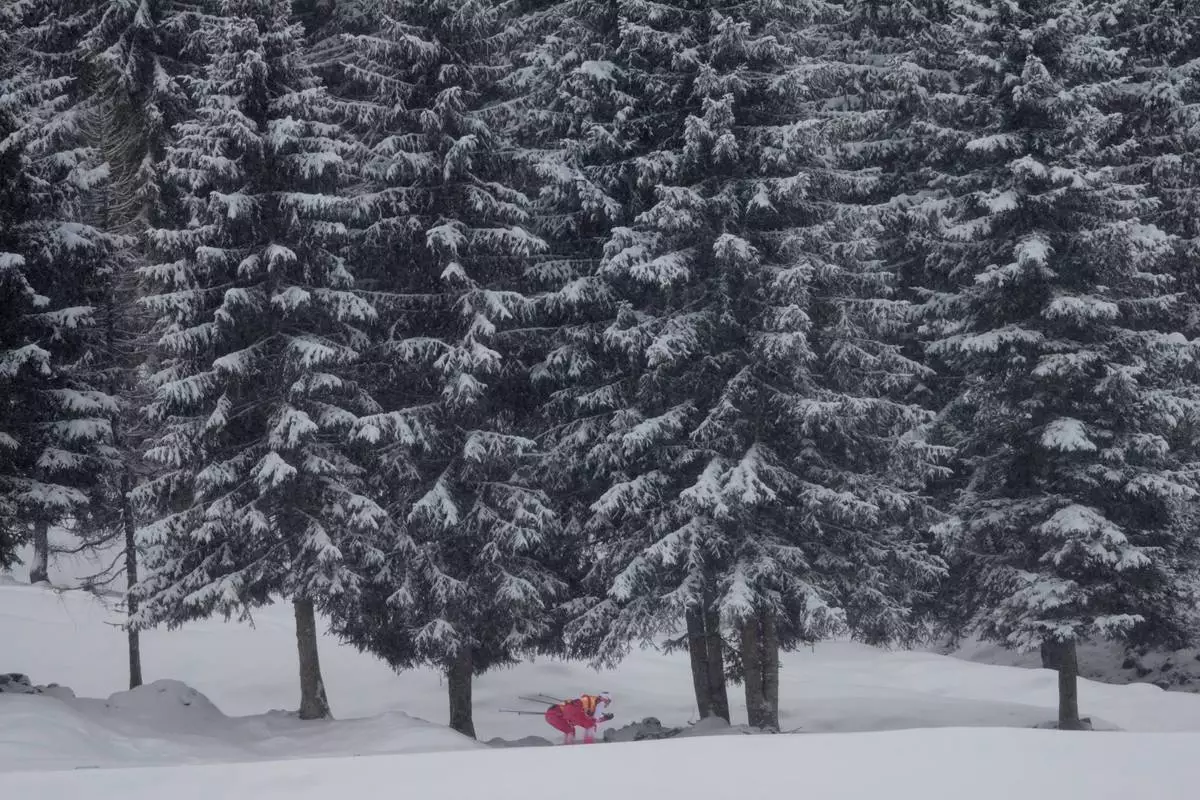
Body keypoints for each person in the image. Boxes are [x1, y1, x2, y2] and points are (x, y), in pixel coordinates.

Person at [544, 692, 613, 744]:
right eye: (608, 701)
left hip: (551, 715)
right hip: (568, 711)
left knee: (570, 730)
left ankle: (567, 747)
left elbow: (592, 719)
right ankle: (589, 745)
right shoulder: (599, 703)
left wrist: (604, 718)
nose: (607, 704)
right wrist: (605, 718)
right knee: (590, 725)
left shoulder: (591, 702)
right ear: (605, 699)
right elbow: (593, 720)